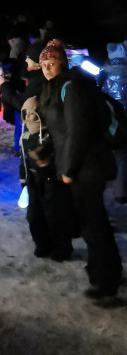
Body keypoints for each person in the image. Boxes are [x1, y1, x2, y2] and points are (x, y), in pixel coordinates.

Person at [37, 39, 123, 300]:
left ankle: (106, 282)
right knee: (91, 222)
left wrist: (70, 167)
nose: (47, 68)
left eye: (52, 63)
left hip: (88, 166)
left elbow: (78, 130)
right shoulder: (52, 88)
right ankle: (104, 271)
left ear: (61, 63)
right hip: (78, 165)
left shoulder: (71, 87)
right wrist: (45, 151)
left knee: (93, 223)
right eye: (43, 64)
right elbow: (60, 130)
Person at [19, 95, 75, 261]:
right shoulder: (25, 138)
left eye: (33, 112)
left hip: (51, 180)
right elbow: (23, 161)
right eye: (26, 113)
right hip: (33, 182)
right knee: (34, 216)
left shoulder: (50, 136)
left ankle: (62, 248)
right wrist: (24, 181)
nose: (30, 117)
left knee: (55, 216)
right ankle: (42, 245)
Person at [100, 42, 127, 204]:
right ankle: (121, 191)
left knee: (120, 155)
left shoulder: (105, 74)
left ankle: (119, 191)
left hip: (114, 122)